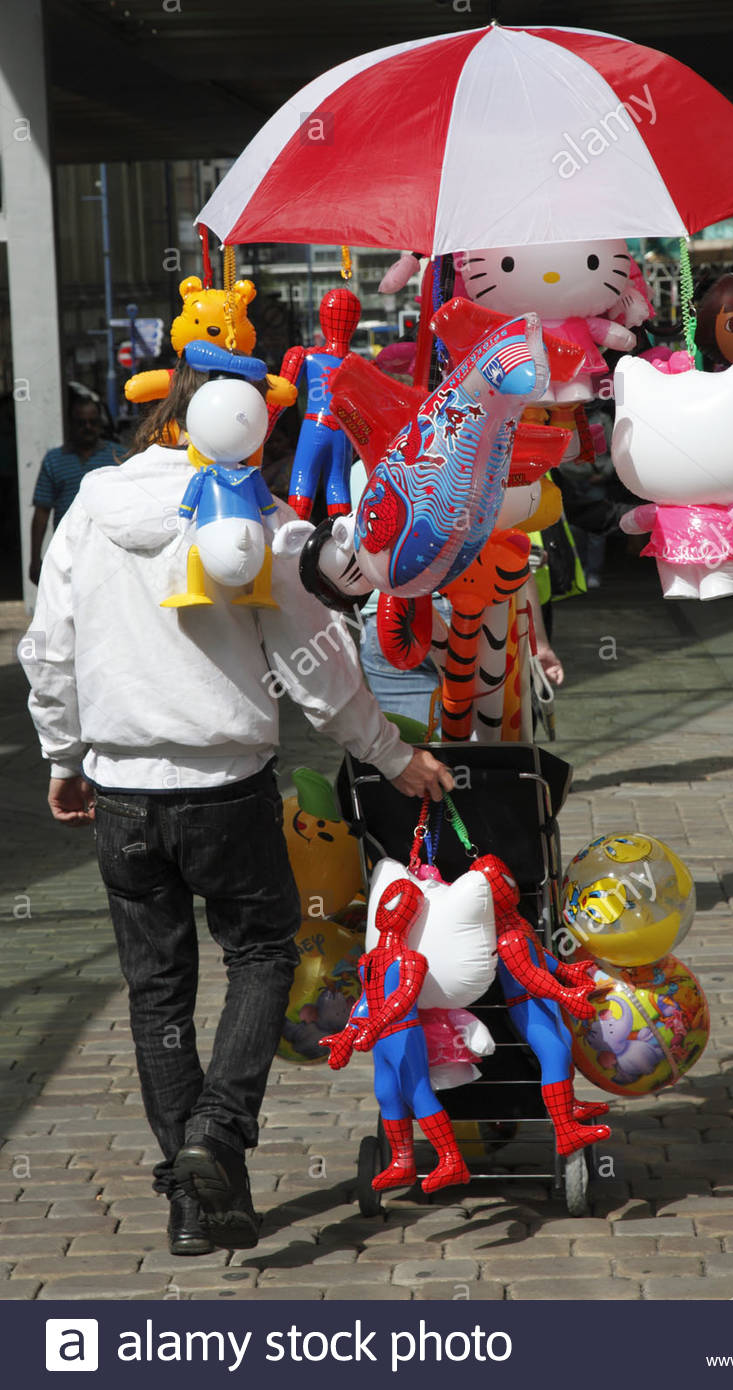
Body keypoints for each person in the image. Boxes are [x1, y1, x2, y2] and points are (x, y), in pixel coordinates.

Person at [18, 357, 453, 1258]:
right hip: (224, 787)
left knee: (158, 993)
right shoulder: (254, 515)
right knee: (262, 951)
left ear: (161, 418)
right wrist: (391, 753)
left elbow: (48, 647)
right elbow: (318, 663)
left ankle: (194, 1198)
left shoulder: (92, 506)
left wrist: (64, 758)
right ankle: (216, 1138)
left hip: (123, 790)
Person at [29, 391, 118, 585]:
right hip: (66, 553)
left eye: (93, 422)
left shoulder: (118, 457)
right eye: (81, 422)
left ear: (100, 423)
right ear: (70, 424)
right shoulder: (54, 460)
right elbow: (41, 513)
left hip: (110, 553)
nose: (87, 427)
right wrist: (35, 560)